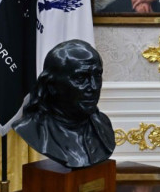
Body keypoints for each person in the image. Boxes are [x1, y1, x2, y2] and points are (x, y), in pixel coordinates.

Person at [13, 40, 115, 168]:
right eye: (80, 78)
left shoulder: (103, 124)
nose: (94, 87)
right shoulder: (30, 129)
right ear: (51, 85)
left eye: (97, 76)